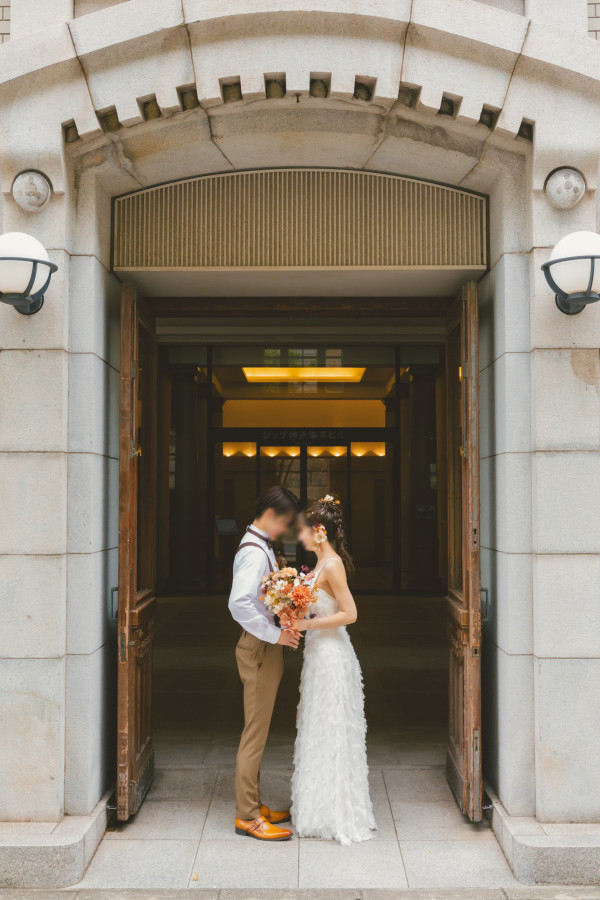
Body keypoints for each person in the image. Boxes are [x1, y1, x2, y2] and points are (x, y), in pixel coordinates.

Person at [290, 494, 376, 845]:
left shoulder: (333, 566)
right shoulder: (320, 566)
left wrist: (306, 625)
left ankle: (336, 813)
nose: (300, 538)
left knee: (333, 729)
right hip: (318, 655)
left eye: (303, 531)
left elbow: (350, 613)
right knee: (319, 727)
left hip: (331, 656)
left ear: (319, 531)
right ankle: (318, 809)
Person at [228, 485, 302, 842]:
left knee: (257, 729)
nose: (284, 530)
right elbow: (239, 603)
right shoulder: (256, 553)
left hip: (262, 647)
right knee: (254, 734)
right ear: (270, 515)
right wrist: (274, 636)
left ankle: (253, 806)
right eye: (284, 523)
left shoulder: (259, 546)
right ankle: (246, 816)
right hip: (259, 648)